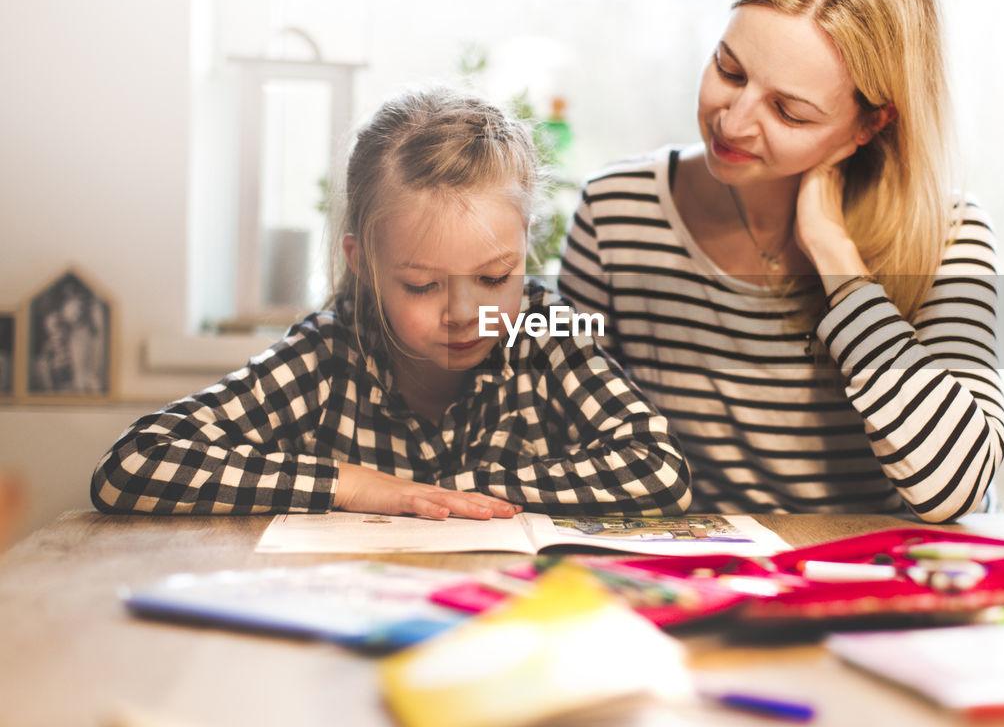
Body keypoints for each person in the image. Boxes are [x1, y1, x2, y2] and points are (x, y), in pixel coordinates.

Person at [558, 0, 1004, 523]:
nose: (733, 122)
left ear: (869, 125)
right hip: (700, 581)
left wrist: (837, 260)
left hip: (875, 590)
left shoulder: (949, 233)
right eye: (730, 69)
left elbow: (957, 487)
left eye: (788, 111)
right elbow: (570, 437)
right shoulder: (618, 210)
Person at [92, 87, 691, 519]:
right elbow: (134, 464)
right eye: (423, 286)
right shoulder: (328, 354)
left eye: (493, 278)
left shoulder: (547, 330)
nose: (462, 313)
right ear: (363, 264)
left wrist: (447, 490)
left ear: (525, 249)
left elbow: (660, 469)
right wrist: (348, 484)